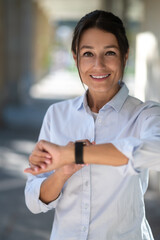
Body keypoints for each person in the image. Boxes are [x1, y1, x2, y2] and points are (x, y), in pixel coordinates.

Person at [24, 10, 160, 240]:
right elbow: (34, 202)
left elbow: (155, 151)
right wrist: (63, 171)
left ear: (125, 56)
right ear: (75, 58)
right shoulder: (57, 114)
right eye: (88, 53)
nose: (98, 65)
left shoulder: (145, 115)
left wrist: (77, 154)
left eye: (110, 52)